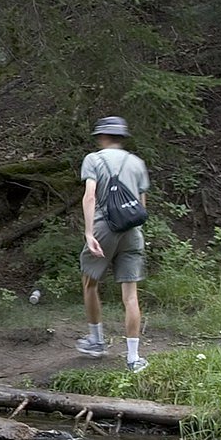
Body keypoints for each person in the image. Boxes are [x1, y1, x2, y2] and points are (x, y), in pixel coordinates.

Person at [75, 116, 151, 372]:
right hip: (132, 231)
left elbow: (89, 196)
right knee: (130, 296)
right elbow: (141, 206)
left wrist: (89, 233)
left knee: (90, 282)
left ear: (102, 137)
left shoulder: (94, 159)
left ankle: (96, 342)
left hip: (103, 230)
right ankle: (133, 358)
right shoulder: (137, 162)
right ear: (122, 137)